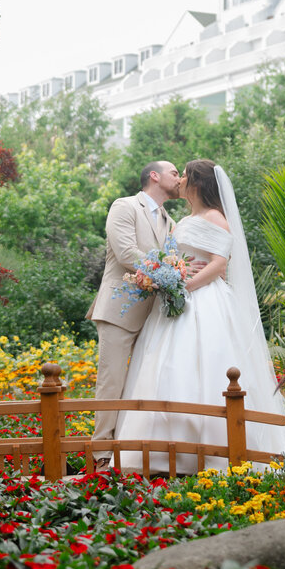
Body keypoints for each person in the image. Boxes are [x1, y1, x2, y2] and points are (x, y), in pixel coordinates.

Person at [113, 159, 285, 473]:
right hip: (176, 301)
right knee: (165, 369)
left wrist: (185, 285)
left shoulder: (217, 217)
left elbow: (219, 263)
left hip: (205, 299)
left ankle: (216, 449)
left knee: (207, 365)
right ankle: (163, 449)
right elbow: (173, 256)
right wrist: (169, 278)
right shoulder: (185, 218)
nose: (181, 180)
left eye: (185, 175)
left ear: (198, 182)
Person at [87, 160, 197, 472]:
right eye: (174, 173)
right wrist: (170, 271)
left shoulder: (171, 221)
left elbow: (180, 259)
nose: (179, 178)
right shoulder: (124, 207)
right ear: (154, 176)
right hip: (119, 311)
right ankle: (101, 456)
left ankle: (131, 451)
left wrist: (183, 270)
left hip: (155, 318)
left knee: (142, 383)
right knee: (112, 383)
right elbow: (125, 253)